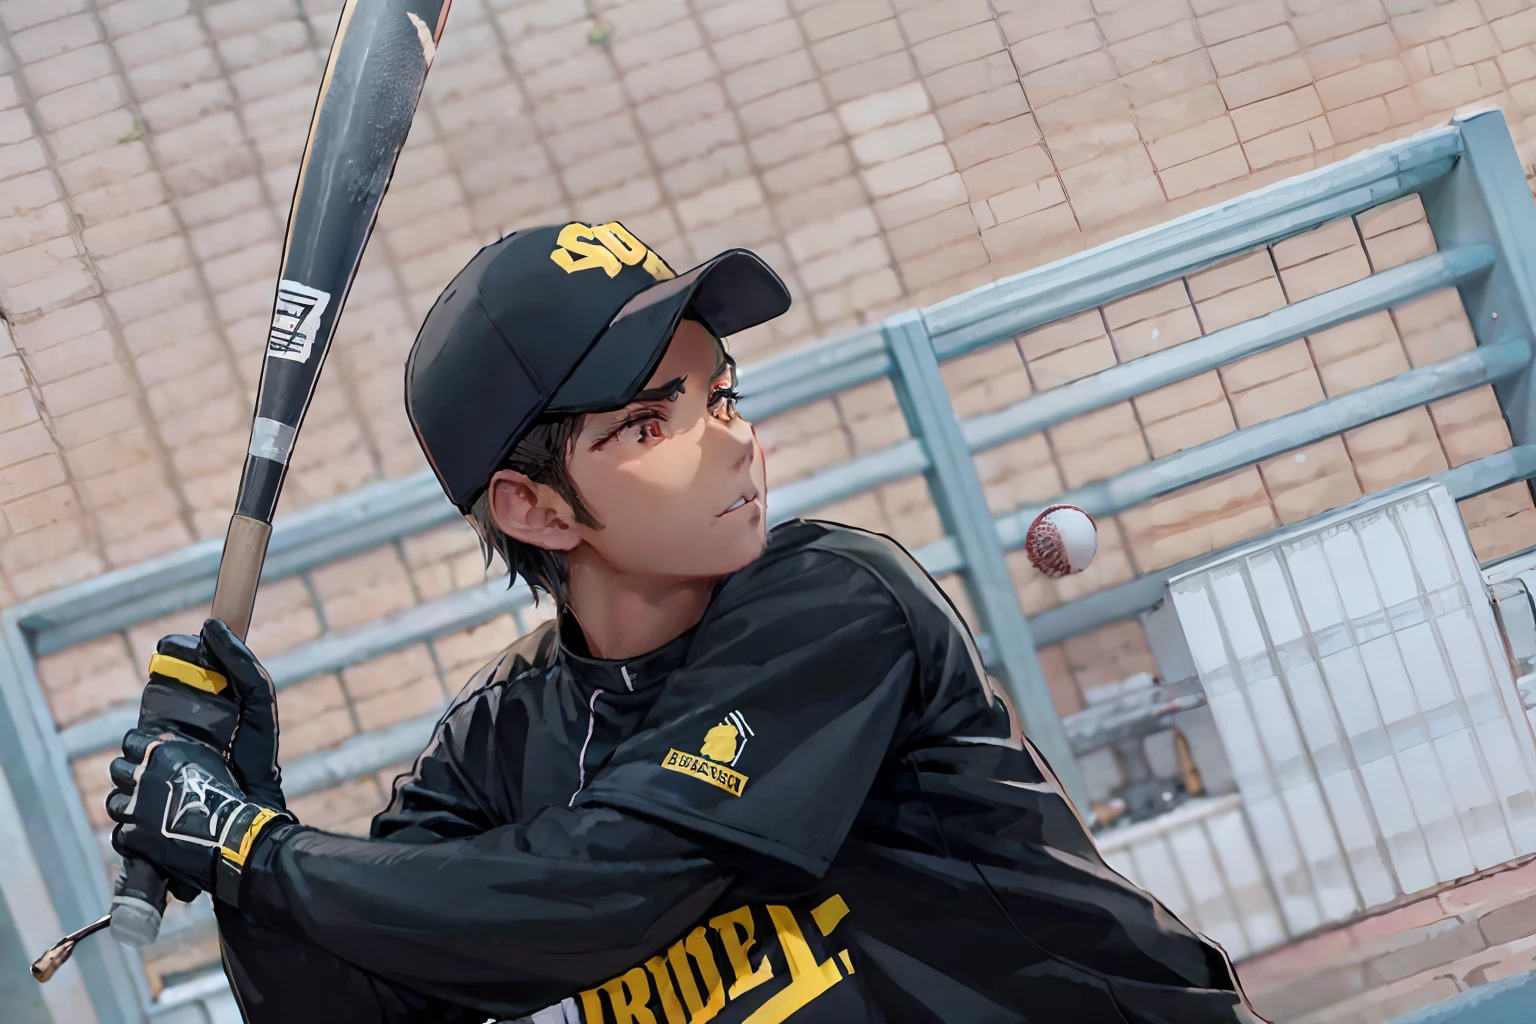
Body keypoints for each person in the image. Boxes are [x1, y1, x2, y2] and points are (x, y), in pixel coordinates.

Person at [106, 222, 1268, 1024]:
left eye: (721, 395)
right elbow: (350, 1005)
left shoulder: (833, 604)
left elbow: (597, 892)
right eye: (649, 425)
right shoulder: (499, 749)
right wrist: (243, 851)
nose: (732, 441)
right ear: (535, 507)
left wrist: (253, 846)